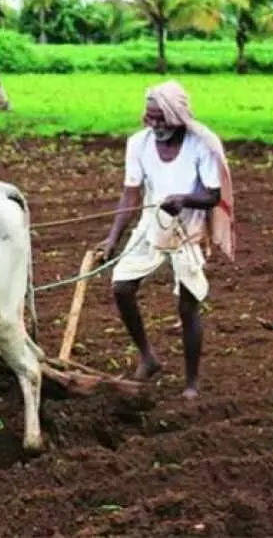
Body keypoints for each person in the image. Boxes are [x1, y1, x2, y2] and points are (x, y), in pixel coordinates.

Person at [95, 80, 236, 399]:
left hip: (190, 227)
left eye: (160, 118)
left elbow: (213, 194)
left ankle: (191, 383)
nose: (154, 124)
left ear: (177, 116)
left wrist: (184, 199)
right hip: (153, 222)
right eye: (149, 117)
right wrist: (112, 238)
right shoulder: (138, 144)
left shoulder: (202, 144)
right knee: (122, 287)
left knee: (188, 306)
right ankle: (148, 356)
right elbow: (131, 193)